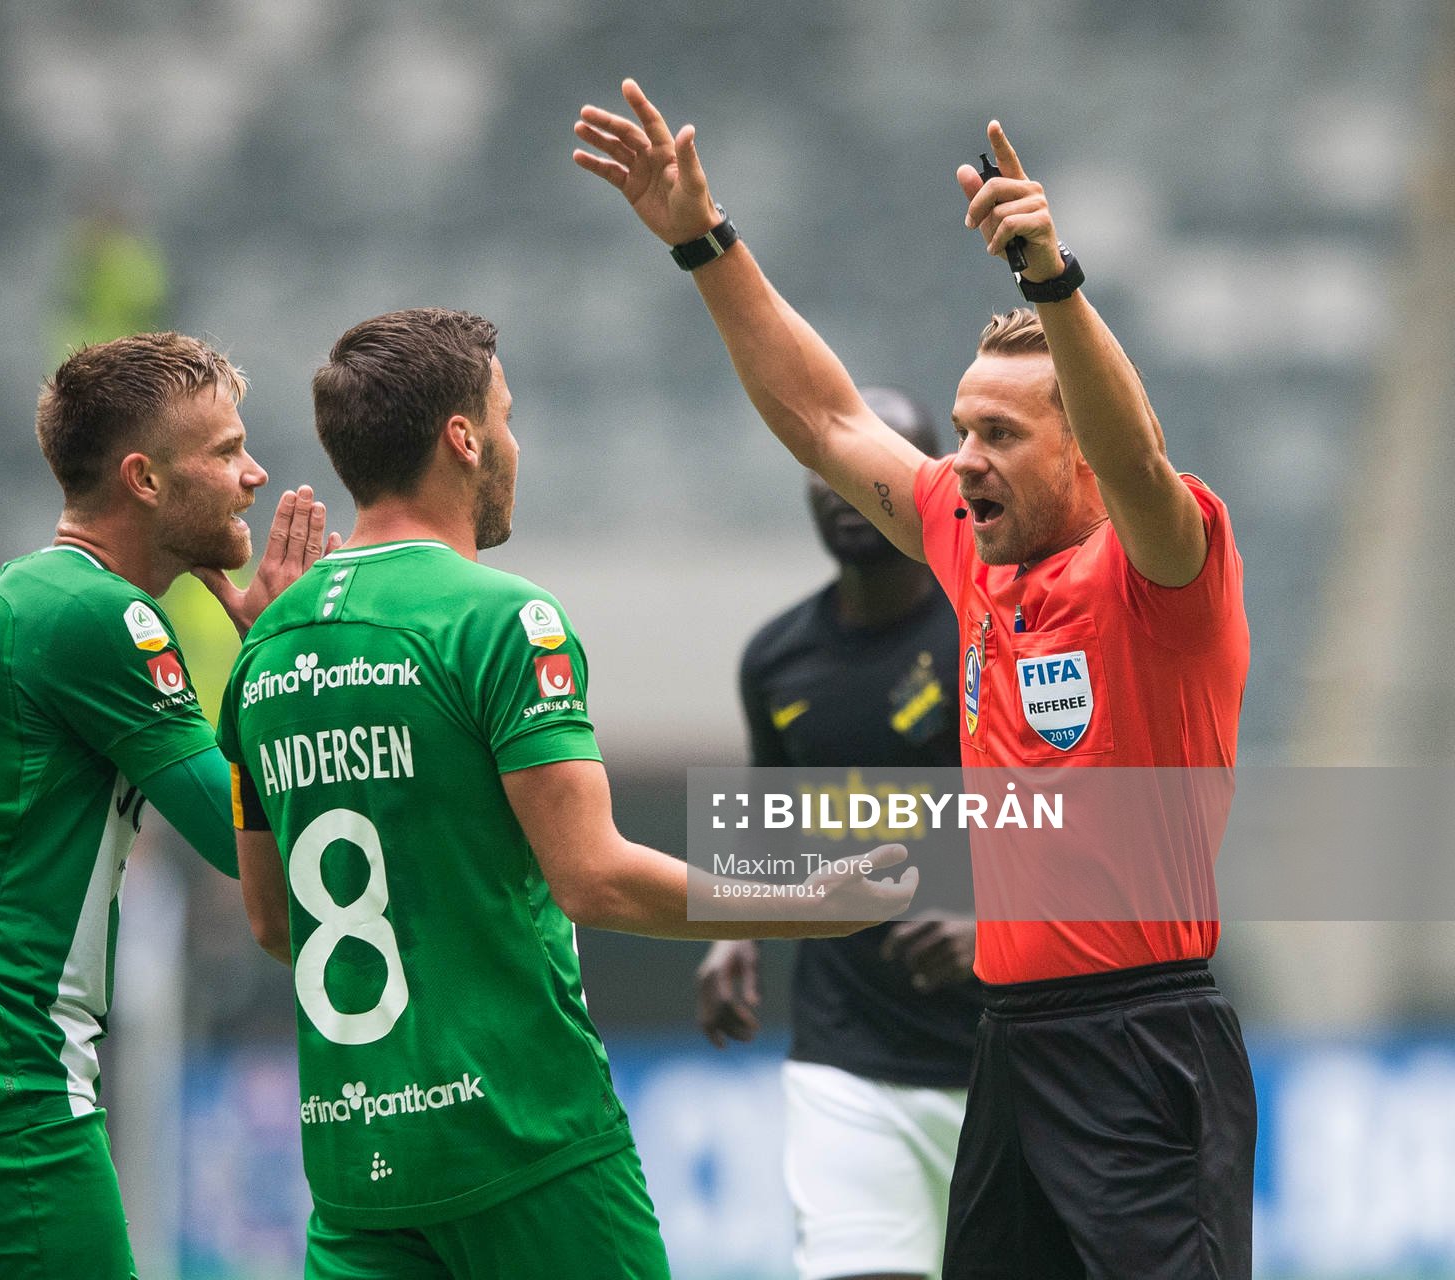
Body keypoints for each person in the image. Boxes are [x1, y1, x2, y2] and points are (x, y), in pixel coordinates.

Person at [575, 85, 1253, 1279]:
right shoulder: (969, 544)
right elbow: (825, 417)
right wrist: (703, 240)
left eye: (999, 436)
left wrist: (1052, 278)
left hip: (1145, 1038)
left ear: (1077, 448)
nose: (962, 460)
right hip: (1011, 1042)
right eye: (959, 429)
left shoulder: (1163, 567)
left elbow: (1138, 456)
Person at [216, 307, 919, 1280]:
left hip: (357, 1170)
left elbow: (270, 917)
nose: (514, 441)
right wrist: (810, 897)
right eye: (505, 416)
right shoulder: (506, 619)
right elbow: (595, 878)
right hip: (526, 1140)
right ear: (462, 438)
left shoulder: (264, 646)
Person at [0, 332, 333, 1279]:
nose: (255, 475)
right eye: (225, 452)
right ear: (144, 478)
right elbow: (242, 838)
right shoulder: (102, 615)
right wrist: (281, 654)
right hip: (9, 1092)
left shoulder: (36, 591)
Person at [698, 386, 979, 1280]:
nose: (849, 494)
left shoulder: (992, 631)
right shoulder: (777, 659)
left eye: (878, 473)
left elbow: (1078, 813)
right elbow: (769, 808)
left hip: (1007, 1051)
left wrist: (999, 924)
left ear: (933, 484)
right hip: (848, 1053)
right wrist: (735, 926)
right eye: (832, 475)